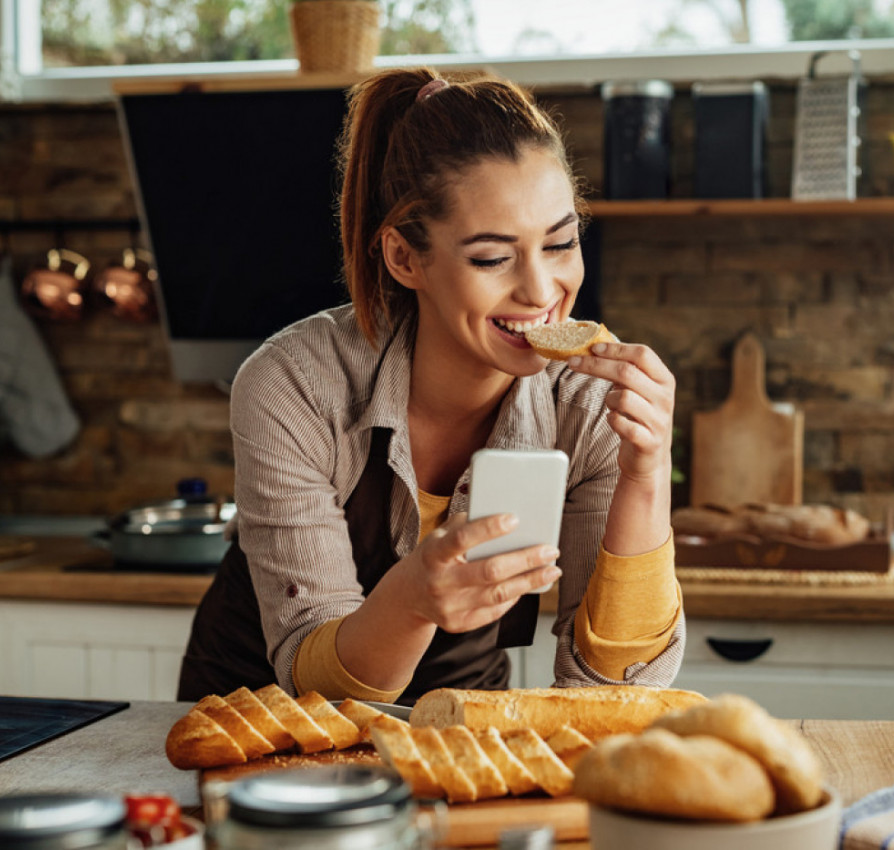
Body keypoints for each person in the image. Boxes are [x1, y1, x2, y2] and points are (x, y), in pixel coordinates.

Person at [177, 68, 684, 704]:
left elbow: (613, 693)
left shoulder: (588, 405)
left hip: (458, 713)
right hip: (258, 716)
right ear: (405, 258)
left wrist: (646, 472)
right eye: (492, 258)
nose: (540, 291)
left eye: (560, 243)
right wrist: (414, 598)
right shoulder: (293, 385)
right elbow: (317, 683)